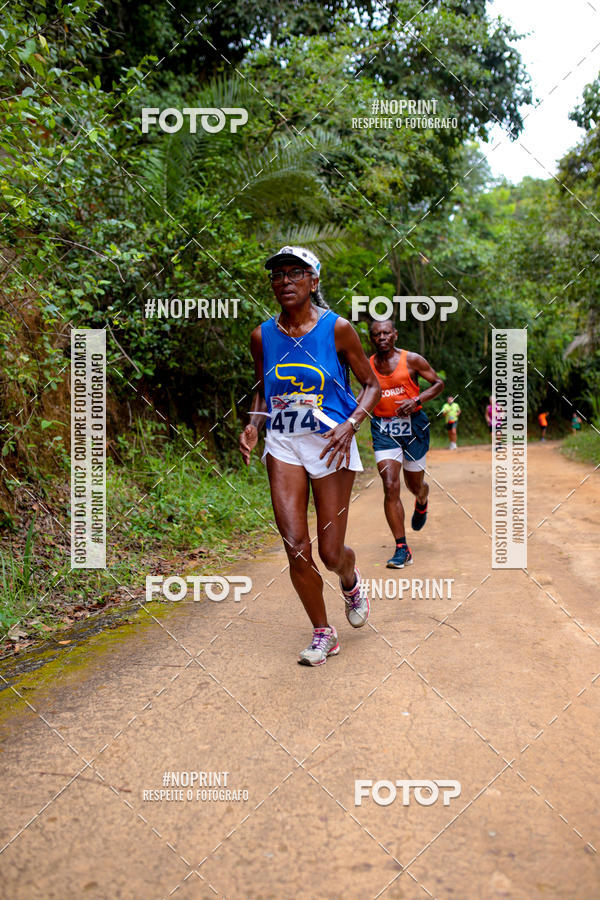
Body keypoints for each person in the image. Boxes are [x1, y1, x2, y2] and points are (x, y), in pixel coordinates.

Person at [238, 246, 381, 667]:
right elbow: (264, 388)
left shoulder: (338, 329)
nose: (284, 281)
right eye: (278, 275)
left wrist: (351, 424)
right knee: (295, 545)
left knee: (329, 552)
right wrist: (254, 423)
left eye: (295, 273)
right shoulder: (261, 335)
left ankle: (350, 579)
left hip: (330, 441)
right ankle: (323, 632)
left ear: (313, 282)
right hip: (283, 443)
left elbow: (370, 385)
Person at [368, 319, 444, 569]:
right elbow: (364, 392)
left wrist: (417, 400)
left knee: (414, 485)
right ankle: (402, 548)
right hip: (383, 428)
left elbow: (438, 384)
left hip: (413, 426)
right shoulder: (367, 365)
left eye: (386, 333)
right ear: (371, 338)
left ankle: (422, 499)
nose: (381, 337)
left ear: (395, 335)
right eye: (376, 334)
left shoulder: (412, 360)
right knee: (390, 485)